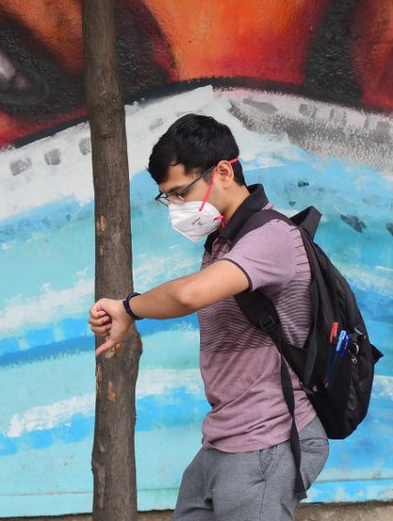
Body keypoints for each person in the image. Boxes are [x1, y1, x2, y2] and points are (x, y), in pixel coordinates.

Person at [88, 113, 328, 520]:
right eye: (169, 198)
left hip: (266, 440)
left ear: (222, 171)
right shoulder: (224, 242)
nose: (177, 207)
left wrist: (128, 308)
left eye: (181, 192)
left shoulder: (270, 238)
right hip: (223, 439)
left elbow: (187, 295)